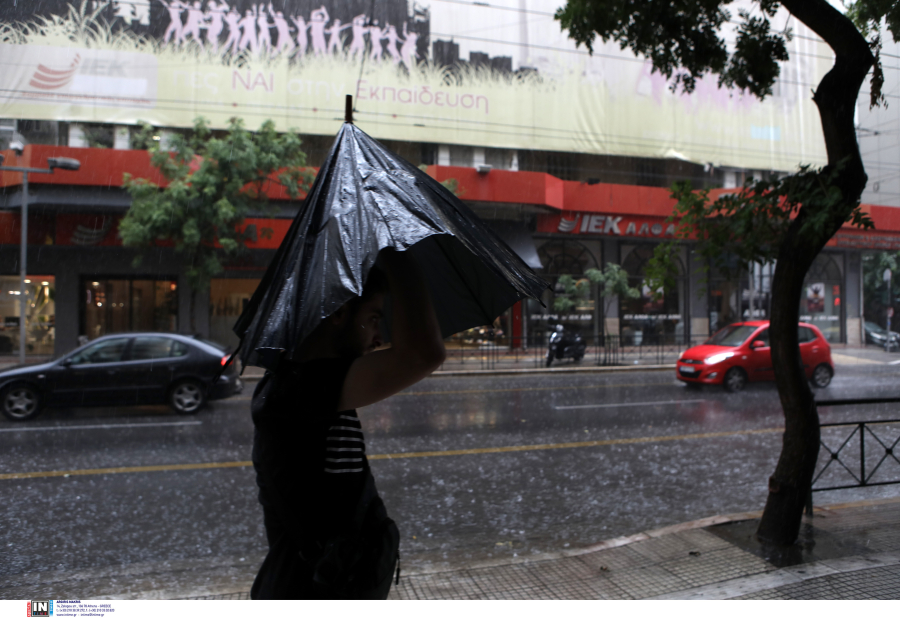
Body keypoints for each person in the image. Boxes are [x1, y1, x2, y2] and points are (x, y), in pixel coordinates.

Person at [250, 248, 445, 599]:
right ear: (340, 312)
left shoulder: (306, 386)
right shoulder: (300, 389)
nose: (378, 337)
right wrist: (398, 254)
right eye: (373, 318)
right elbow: (423, 353)